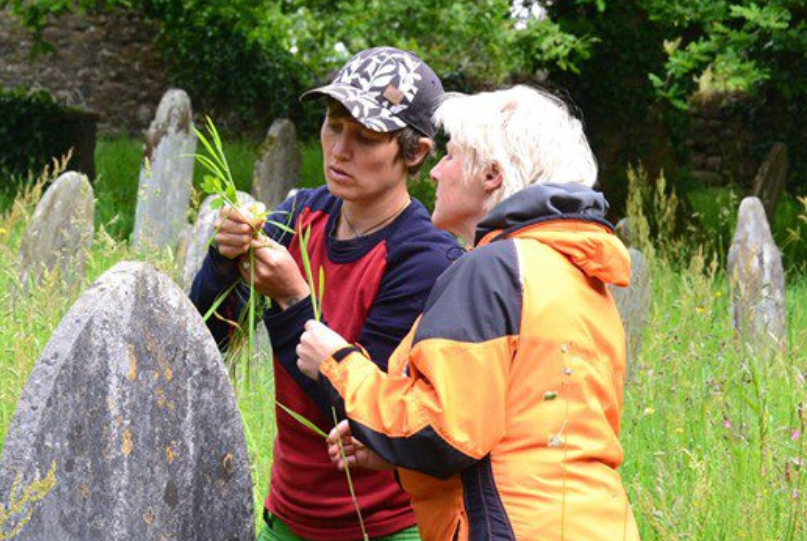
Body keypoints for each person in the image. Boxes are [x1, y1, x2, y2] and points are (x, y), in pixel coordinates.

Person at [296, 85, 639, 541]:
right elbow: (519, 432)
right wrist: (389, 451)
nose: (435, 171)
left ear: (491, 175)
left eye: (452, 156)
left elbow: (444, 433)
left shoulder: (491, 271)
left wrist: (338, 363)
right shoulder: (578, 276)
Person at [190, 46, 464, 541]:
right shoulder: (299, 218)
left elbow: (361, 421)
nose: (340, 150)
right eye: (334, 125)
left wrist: (294, 301)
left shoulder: (427, 261)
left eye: (365, 137)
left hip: (382, 528)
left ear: (416, 152)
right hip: (286, 518)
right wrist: (222, 259)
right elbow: (210, 342)